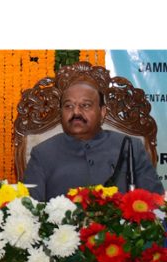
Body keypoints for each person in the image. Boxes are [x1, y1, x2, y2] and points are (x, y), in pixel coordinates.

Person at [23, 78, 164, 201]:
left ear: (102, 112)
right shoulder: (42, 153)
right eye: (68, 106)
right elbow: (30, 208)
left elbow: (155, 201)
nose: (76, 112)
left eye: (85, 105)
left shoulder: (131, 146)